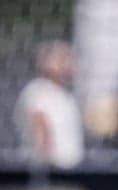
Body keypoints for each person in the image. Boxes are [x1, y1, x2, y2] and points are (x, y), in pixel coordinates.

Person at [14, 40, 84, 169]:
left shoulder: (64, 94)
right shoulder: (39, 91)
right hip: (49, 172)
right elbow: (40, 126)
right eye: (62, 59)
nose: (68, 64)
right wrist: (46, 166)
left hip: (69, 171)